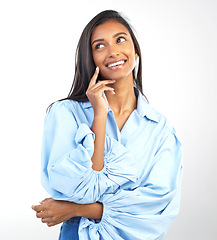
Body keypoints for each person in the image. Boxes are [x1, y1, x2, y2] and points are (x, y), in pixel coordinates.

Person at [32, 10, 183, 240]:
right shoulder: (65, 114)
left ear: (135, 51)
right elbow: (79, 190)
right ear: (89, 57)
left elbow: (154, 211)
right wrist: (99, 116)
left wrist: (76, 210)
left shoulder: (161, 131)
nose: (113, 52)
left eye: (120, 39)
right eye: (99, 46)